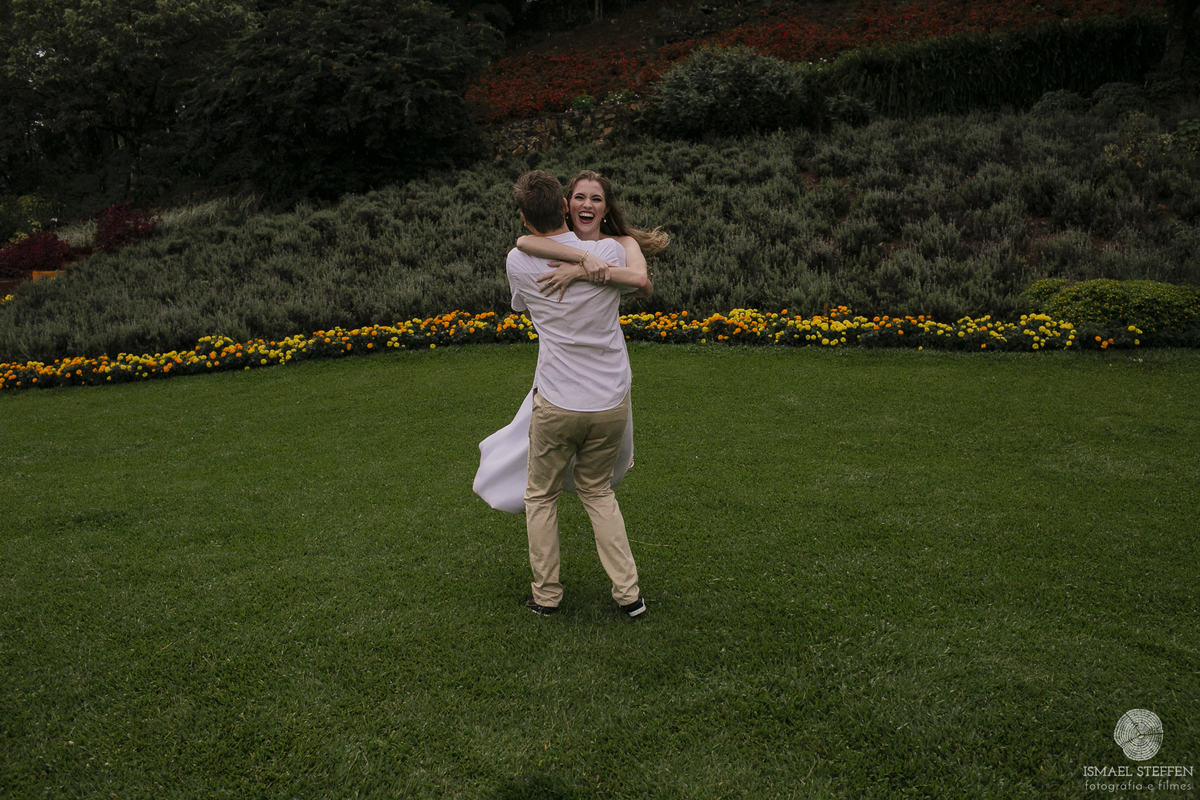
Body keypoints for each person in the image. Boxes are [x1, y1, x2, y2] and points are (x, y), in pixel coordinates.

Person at [496, 169, 652, 619]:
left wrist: (577, 267)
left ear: (524, 217)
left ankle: (547, 596)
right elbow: (636, 280)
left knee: (541, 496)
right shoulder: (609, 252)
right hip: (609, 403)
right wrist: (586, 263)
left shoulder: (517, 260)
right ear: (565, 206)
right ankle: (629, 595)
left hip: (559, 402)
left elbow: (523, 287)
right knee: (597, 493)